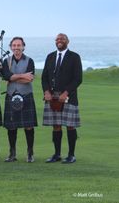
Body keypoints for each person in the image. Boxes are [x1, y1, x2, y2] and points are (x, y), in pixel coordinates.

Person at [42, 33, 82, 164]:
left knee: (70, 126)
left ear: (67, 41)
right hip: (52, 97)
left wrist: (66, 92)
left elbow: (78, 79)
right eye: (57, 39)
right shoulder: (50, 56)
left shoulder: (74, 57)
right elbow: (44, 77)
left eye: (62, 39)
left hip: (68, 96)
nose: (59, 41)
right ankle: (57, 154)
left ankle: (71, 155)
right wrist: (46, 91)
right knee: (56, 126)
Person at [0, 37, 37, 162]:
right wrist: (21, 76)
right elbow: (6, 76)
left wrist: (13, 77)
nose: (16, 47)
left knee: (28, 126)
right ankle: (12, 153)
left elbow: (29, 79)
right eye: (14, 45)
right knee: (11, 126)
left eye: (19, 45)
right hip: (11, 95)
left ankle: (30, 153)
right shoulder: (6, 61)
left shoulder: (30, 61)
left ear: (23, 46)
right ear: (10, 47)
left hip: (26, 95)